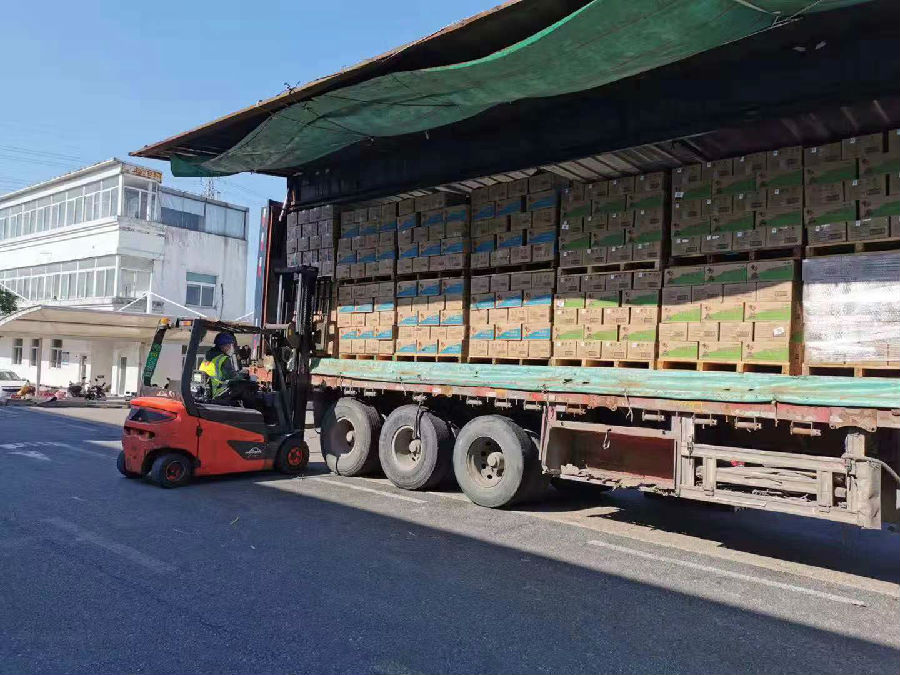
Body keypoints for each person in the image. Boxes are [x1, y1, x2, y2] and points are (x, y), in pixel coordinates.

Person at [198, 332, 240, 399]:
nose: (230, 348)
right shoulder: (223, 359)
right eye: (229, 345)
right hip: (219, 396)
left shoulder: (206, 359)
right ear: (223, 346)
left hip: (205, 395)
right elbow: (233, 377)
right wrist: (242, 375)